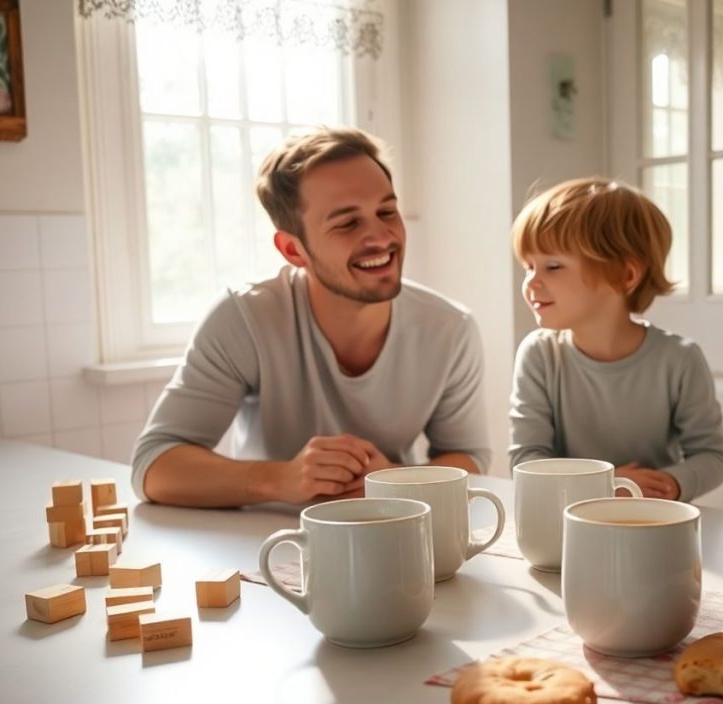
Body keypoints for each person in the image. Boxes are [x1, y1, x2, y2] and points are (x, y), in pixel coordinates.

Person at [131, 127, 491, 508]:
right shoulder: (243, 319)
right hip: (265, 545)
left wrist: (396, 482)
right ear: (292, 249)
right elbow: (154, 465)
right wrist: (280, 480)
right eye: (347, 223)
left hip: (393, 534)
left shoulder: (450, 329)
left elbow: (468, 456)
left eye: (387, 211)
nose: (382, 236)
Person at [508, 177, 723, 501]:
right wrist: (603, 482)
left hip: (652, 521)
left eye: (553, 266)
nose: (531, 283)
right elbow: (526, 460)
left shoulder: (680, 359)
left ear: (626, 275)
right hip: (568, 526)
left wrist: (671, 482)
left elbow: (713, 456)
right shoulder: (538, 355)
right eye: (529, 266)